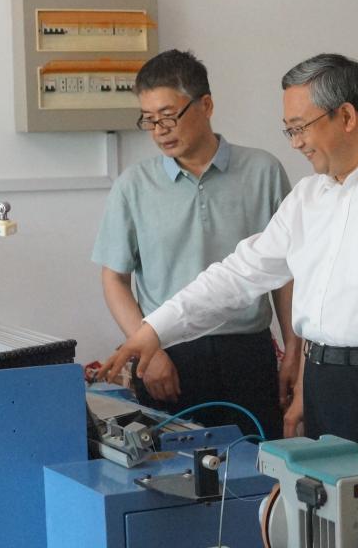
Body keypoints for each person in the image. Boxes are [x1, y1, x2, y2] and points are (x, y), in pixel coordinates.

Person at [99, 53, 358, 548]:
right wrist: (154, 330)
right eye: (289, 130)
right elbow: (239, 274)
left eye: (300, 127)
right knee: (327, 529)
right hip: (327, 385)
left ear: (346, 116)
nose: (296, 142)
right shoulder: (310, 196)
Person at [91, 49, 300, 439]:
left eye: (168, 116)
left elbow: (285, 272)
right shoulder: (134, 185)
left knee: (255, 463)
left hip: (247, 353)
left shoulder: (263, 171)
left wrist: (293, 347)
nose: (160, 130)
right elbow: (114, 278)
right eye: (149, 120)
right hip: (168, 356)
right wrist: (149, 349)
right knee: (171, 467)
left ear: (206, 105)